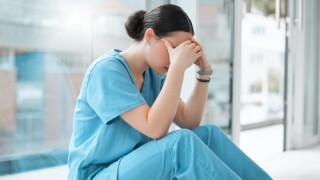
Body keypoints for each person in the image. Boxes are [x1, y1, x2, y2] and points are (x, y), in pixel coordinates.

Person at [68, 4, 272, 180]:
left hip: (131, 168)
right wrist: (177, 68)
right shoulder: (107, 71)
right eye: (174, 49)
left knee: (209, 135)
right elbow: (155, 129)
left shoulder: (154, 74)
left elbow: (189, 120)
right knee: (180, 144)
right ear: (150, 36)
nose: (177, 57)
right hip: (98, 175)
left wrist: (203, 73)